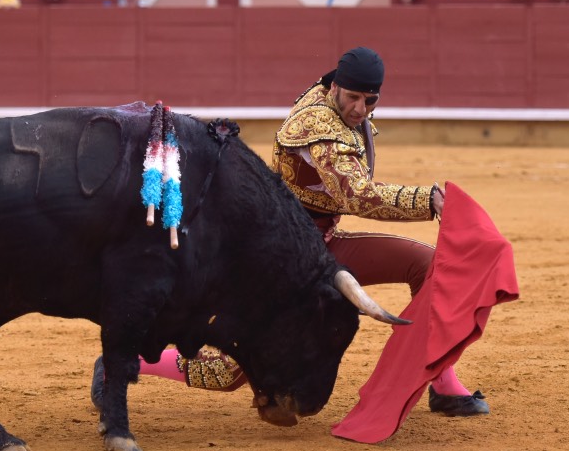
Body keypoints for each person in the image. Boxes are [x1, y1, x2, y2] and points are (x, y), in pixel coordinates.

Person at [91, 47, 489, 419]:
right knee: (231, 371)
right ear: (334, 87)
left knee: (427, 265)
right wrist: (427, 200)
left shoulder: (338, 104)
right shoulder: (314, 123)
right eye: (352, 97)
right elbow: (354, 195)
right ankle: (126, 361)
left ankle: (443, 383)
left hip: (323, 244)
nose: (359, 108)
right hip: (281, 259)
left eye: (369, 101)